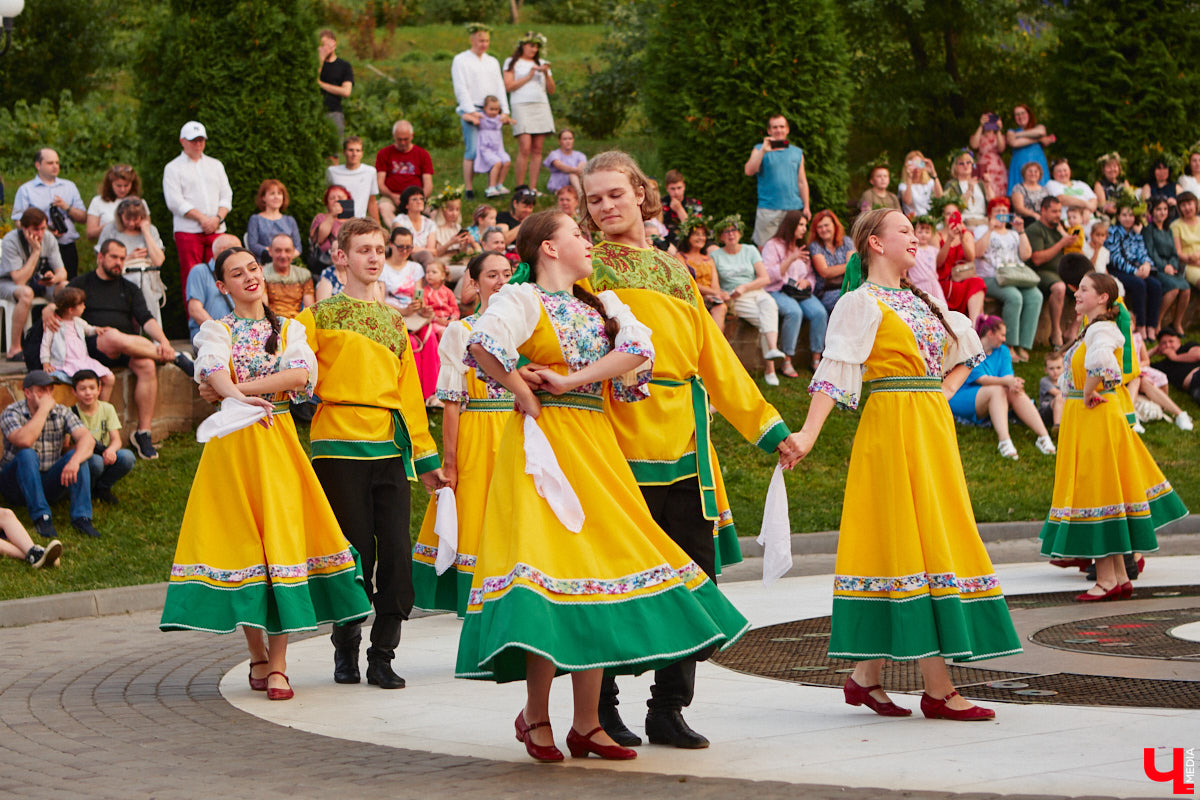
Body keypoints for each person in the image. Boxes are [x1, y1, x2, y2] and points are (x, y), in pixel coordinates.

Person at [455, 209, 750, 762]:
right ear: (548, 248)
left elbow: (640, 352)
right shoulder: (522, 300)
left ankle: (587, 722)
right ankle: (537, 715)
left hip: (597, 443)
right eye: (578, 235)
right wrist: (524, 394)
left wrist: (571, 379)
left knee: (599, 571)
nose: (588, 242)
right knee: (551, 569)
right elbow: (482, 345)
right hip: (545, 446)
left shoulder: (602, 305)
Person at [581, 152, 797, 748]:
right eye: (594, 198)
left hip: (683, 441)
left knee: (695, 578)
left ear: (642, 193)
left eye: (615, 194)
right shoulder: (584, 266)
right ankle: (599, 707)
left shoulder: (677, 271)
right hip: (610, 439)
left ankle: (669, 706)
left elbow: (715, 361)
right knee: (613, 579)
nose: (605, 206)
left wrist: (770, 429)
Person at [793, 208, 1021, 722]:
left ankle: (865, 676)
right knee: (910, 539)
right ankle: (937, 689)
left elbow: (968, 351)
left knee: (923, 534)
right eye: (903, 230)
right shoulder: (859, 302)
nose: (915, 237)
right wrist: (807, 434)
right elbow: (837, 370)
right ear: (874, 243)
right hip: (892, 427)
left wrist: (941, 392)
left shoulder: (924, 301)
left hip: (929, 426)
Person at [164, 246, 373, 702]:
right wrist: (231, 393)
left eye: (252, 269)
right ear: (222, 286)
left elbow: (298, 376)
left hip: (276, 443)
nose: (249, 277)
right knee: (243, 548)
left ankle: (277, 665)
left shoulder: (291, 327)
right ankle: (257, 653)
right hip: (232, 450)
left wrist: (235, 393)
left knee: (282, 545)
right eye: (236, 274)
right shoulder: (215, 329)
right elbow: (212, 366)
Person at [293, 217, 446, 690]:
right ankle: (346, 646)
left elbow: (410, 397)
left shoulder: (395, 322)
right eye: (363, 249)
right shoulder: (315, 317)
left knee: (397, 553)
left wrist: (426, 460)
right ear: (340, 257)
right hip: (337, 444)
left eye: (380, 248)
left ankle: (383, 653)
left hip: (388, 444)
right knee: (354, 551)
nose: (375, 256)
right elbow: (291, 370)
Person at [1039, 272, 1188, 600]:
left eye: (1085, 289)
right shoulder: (1091, 329)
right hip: (1089, 417)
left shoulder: (1103, 329)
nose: (1077, 294)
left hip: (1094, 416)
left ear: (1103, 297)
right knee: (1101, 492)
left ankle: (1107, 579)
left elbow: (1106, 368)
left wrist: (1089, 392)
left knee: (1098, 493)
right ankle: (1118, 576)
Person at [412, 251, 512, 616]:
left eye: (506, 274)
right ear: (473, 282)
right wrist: (450, 462)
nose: (501, 281)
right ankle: (475, 593)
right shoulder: (462, 330)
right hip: (479, 431)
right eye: (491, 275)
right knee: (477, 510)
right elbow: (452, 402)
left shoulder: (528, 328)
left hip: (518, 426)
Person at [42, 239, 192, 460]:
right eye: (114, 257)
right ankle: (176, 358)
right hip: (93, 348)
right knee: (111, 335)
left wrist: (165, 342)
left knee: (147, 365)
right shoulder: (82, 283)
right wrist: (48, 310)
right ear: (100, 257)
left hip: (127, 347)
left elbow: (146, 319)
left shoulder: (129, 288)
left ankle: (143, 433)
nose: (119, 262)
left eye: (122, 258)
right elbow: (59, 302)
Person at [0, 370, 98, 540]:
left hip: (48, 479)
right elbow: (24, 440)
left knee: (78, 455)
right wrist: (43, 410)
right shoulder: (11, 412)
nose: (47, 395)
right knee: (27, 454)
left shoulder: (62, 411)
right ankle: (42, 517)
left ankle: (82, 518)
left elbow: (87, 439)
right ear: (28, 393)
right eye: (41, 390)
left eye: (49, 390)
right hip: (15, 484)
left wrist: (74, 461)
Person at [948, 315, 1056, 459]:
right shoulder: (972, 349)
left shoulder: (1003, 351)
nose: (1004, 339)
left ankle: (1043, 437)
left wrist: (1013, 383)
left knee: (1012, 390)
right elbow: (982, 379)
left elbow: (1008, 377)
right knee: (998, 390)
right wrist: (1008, 382)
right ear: (990, 333)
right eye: (1002, 335)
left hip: (991, 393)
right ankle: (1004, 441)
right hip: (962, 396)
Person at [710, 216, 788, 384]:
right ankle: (770, 368)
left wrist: (745, 287)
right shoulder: (715, 256)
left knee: (769, 304)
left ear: (740, 233)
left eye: (734, 230)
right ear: (720, 236)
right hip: (736, 298)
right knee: (766, 322)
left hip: (754, 291)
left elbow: (765, 278)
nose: (731, 234)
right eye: (726, 231)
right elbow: (715, 283)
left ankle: (773, 349)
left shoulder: (750, 250)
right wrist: (725, 293)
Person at [163, 121, 233, 292]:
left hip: (216, 229)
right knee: (191, 275)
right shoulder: (173, 168)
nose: (198, 144)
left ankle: (222, 316)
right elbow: (174, 201)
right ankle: (195, 318)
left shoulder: (215, 165)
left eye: (201, 140)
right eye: (193, 140)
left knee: (222, 272)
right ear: (182, 141)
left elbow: (226, 195)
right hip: (188, 230)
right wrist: (202, 219)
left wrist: (216, 219)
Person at [974, 197, 1040, 362]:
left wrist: (1021, 231)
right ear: (990, 214)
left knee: (1035, 296)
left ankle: (1024, 345)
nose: (1002, 214)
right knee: (1014, 296)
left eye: (1004, 211)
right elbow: (977, 252)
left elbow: (1026, 255)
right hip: (990, 276)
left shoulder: (1013, 233)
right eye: (998, 211)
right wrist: (990, 229)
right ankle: (1009, 344)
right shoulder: (982, 229)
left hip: (1014, 275)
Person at [762, 210, 827, 371]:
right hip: (778, 290)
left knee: (820, 313)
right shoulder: (773, 245)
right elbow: (768, 274)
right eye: (801, 225)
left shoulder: (801, 246)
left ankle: (816, 359)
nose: (804, 229)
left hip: (800, 292)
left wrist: (807, 282)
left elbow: (811, 275)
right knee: (794, 312)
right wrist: (792, 257)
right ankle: (787, 359)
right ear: (791, 225)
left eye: (805, 225)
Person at [0, 208, 69, 360]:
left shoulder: (49, 238)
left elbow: (62, 272)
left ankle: (64, 343)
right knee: (26, 293)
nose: (40, 234)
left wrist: (53, 278)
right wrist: (36, 252)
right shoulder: (11, 240)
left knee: (65, 288)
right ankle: (14, 348)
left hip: (35, 280)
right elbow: (19, 280)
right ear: (24, 228)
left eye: (43, 228)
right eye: (35, 229)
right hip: (7, 282)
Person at [10, 148, 86, 279]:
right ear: (38, 165)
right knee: (43, 286)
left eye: (57, 162)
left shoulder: (69, 187)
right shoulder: (26, 190)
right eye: (50, 163)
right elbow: (18, 222)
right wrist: (44, 231)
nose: (55, 166)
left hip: (66, 246)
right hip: (40, 248)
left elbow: (83, 218)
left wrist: (66, 207)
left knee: (68, 288)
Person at [452, 23, 508, 198]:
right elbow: (460, 87)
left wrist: (503, 110)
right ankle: (469, 187)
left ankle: (493, 186)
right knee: (473, 150)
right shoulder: (461, 59)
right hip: (473, 110)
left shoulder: (492, 61)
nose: (484, 44)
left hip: (491, 110)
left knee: (493, 149)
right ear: (472, 39)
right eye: (480, 40)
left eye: (487, 41)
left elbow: (499, 86)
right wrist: (470, 111)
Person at [98, 197, 167, 326]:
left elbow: (158, 261)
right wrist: (127, 258)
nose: (131, 223)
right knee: (135, 279)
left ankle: (153, 329)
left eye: (135, 219)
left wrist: (145, 231)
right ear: (120, 216)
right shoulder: (110, 230)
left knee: (142, 278)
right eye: (127, 219)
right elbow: (101, 261)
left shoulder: (151, 230)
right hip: (120, 276)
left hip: (146, 277)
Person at [70, 369, 135, 505]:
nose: (88, 393)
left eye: (92, 388)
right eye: (82, 389)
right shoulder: (71, 413)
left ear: (99, 389)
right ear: (74, 392)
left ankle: (103, 487)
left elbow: (116, 439)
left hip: (104, 453)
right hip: (86, 458)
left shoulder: (107, 408)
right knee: (96, 462)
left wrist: (111, 450)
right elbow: (65, 446)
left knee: (127, 457)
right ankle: (88, 489)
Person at [744, 114, 810, 246]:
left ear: (787, 129)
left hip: (793, 209)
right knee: (765, 247)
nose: (778, 130)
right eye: (775, 127)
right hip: (768, 209)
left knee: (793, 246)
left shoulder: (796, 152)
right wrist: (763, 151)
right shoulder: (759, 149)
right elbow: (749, 171)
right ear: (769, 131)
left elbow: (802, 182)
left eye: (781, 126)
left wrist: (806, 206)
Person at [503, 31, 555, 191]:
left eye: (536, 47)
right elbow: (508, 86)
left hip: (540, 105)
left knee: (537, 149)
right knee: (525, 147)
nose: (534, 49)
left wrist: (546, 73)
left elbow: (551, 90)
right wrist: (529, 75)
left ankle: (533, 188)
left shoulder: (542, 62)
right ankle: (520, 187)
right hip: (521, 105)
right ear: (523, 45)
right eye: (531, 46)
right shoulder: (512, 62)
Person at [40, 287, 115, 395]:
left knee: (109, 378)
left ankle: (101, 408)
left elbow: (88, 329)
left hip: (83, 360)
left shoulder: (78, 322)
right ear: (71, 309)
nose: (84, 307)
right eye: (81, 304)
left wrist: (97, 329)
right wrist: (45, 363)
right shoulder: (55, 324)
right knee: (83, 383)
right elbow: (45, 344)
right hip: (66, 363)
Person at [1105, 202, 1162, 341]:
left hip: (1136, 269)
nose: (1128, 218)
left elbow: (1142, 253)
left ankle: (1151, 327)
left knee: (1155, 285)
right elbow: (1115, 257)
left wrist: (1147, 264)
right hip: (1118, 270)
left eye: (1131, 215)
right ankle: (1140, 326)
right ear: (1118, 216)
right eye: (1124, 215)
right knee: (1139, 285)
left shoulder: (1136, 234)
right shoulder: (1113, 232)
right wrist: (1135, 271)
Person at [1025, 196, 1075, 348]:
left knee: (1087, 284)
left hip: (1061, 272)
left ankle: (1072, 332)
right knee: (1059, 287)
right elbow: (1037, 259)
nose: (1058, 215)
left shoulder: (1060, 228)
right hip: (1040, 272)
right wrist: (1062, 243)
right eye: (1054, 211)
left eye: (1059, 211)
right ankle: (1056, 332)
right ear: (1043, 211)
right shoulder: (1035, 229)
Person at [1143, 197, 1189, 334]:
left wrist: (1173, 266)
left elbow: (1174, 253)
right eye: (1158, 209)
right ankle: (1158, 321)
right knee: (1173, 289)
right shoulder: (1148, 230)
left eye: (1165, 209)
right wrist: (1164, 267)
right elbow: (1151, 252)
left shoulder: (1168, 230)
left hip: (1171, 268)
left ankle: (1177, 322)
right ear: (1152, 212)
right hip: (1157, 268)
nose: (1162, 212)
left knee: (1186, 289)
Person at [375, 120, 434, 227]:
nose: (402, 143)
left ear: (412, 136)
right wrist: (392, 196)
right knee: (384, 208)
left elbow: (428, 184)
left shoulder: (422, 154)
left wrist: (419, 199)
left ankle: (432, 233)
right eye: (399, 139)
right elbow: (380, 183)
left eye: (406, 139)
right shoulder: (384, 153)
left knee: (436, 211)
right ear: (394, 136)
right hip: (392, 195)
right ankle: (400, 231)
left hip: (417, 195)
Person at [186, 233, 240, 344]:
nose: (240, 255)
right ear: (224, 251)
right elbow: (195, 310)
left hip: (237, 334)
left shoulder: (239, 274)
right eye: (237, 250)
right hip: (209, 335)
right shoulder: (200, 271)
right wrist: (220, 333)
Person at [934, 202, 985, 321]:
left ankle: (974, 326)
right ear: (943, 216)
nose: (951, 217)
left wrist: (962, 238)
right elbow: (938, 263)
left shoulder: (966, 234)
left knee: (977, 283)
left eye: (954, 214)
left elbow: (971, 257)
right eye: (948, 214)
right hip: (946, 281)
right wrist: (949, 240)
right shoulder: (937, 235)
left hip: (963, 277)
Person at [675, 216, 725, 328]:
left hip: (710, 298)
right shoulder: (680, 257)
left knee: (721, 307)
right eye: (696, 234)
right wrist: (714, 293)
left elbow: (715, 284)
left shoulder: (709, 259)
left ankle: (716, 343)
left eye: (703, 235)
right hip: (692, 297)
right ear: (687, 237)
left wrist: (715, 294)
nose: (701, 237)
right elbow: (689, 282)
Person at [85, 164, 146, 249]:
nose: (122, 189)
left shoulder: (140, 203)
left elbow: (147, 227)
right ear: (110, 184)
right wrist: (108, 227)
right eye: (118, 186)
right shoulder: (97, 201)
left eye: (126, 185)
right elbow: (90, 234)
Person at [807, 209, 855, 314]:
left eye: (826, 225)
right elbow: (824, 272)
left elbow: (853, 267)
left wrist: (838, 269)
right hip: (827, 291)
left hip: (849, 288)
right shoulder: (815, 246)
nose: (823, 229)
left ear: (834, 225)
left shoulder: (846, 241)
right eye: (819, 227)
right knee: (847, 302)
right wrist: (847, 266)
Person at [245, 180, 302, 264]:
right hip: (264, 264)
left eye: (279, 193)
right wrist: (272, 253)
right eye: (272, 194)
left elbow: (298, 247)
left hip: (289, 265)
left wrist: (286, 256)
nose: (276, 197)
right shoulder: (256, 219)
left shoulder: (290, 220)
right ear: (263, 197)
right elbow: (253, 245)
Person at [325, 136, 378, 222]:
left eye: (358, 150)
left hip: (359, 221)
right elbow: (327, 199)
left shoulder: (370, 172)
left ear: (362, 153)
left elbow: (372, 202)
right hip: (337, 221)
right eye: (351, 150)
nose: (354, 154)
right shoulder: (332, 171)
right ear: (344, 152)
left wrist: (378, 226)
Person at [262, 234, 314, 319]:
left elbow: (309, 308)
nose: (283, 255)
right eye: (278, 251)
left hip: (297, 322)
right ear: (270, 252)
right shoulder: (263, 274)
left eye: (287, 251)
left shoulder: (304, 274)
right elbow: (263, 308)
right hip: (272, 322)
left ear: (293, 252)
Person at [317, 29, 354, 146]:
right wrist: (320, 60)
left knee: (333, 150)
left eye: (326, 45)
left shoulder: (344, 66)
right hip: (316, 111)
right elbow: (311, 79)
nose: (324, 49)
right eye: (321, 46)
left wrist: (322, 85)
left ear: (333, 44)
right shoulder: (316, 63)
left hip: (334, 112)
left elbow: (346, 91)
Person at [1005, 103, 1053, 191]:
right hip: (1019, 166)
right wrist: (1038, 140)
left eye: (1023, 113)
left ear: (1029, 114)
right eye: (1017, 114)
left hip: (1038, 164)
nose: (1020, 116)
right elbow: (1014, 143)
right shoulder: (1010, 131)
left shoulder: (1039, 127)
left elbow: (1041, 132)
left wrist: (1017, 134)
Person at [309, 184, 353, 279]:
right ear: (327, 203)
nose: (336, 200)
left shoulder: (354, 221)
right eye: (332, 198)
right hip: (326, 263)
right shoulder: (321, 218)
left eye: (340, 197)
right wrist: (332, 215)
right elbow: (320, 238)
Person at [474, 96, 512, 198]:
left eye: (496, 109)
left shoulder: (499, 118)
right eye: (491, 109)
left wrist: (508, 120)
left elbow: (511, 121)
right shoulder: (481, 116)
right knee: (497, 162)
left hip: (498, 149)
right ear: (485, 108)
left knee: (507, 161)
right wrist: (474, 118)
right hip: (486, 149)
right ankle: (491, 187)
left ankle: (499, 184)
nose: (494, 112)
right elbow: (464, 115)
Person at [1152, 327, 1200, 406]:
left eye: (1171, 341)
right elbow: (1139, 365)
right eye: (1163, 343)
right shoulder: (1162, 365)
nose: (1168, 345)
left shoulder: (1188, 347)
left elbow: (1198, 355)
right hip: (1193, 387)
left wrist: (1175, 357)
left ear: (1178, 341)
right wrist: (1153, 351)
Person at [944, 149, 990, 228]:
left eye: (968, 162)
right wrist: (969, 190)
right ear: (955, 167)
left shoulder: (980, 183)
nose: (966, 165)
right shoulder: (952, 185)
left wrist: (987, 185)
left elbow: (992, 202)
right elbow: (954, 208)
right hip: (964, 222)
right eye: (961, 163)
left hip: (983, 221)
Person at [1046, 159, 1097, 224]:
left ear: (1070, 171)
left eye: (1065, 170)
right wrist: (1086, 204)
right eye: (1059, 171)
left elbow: (1093, 201)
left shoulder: (1081, 184)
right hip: (1069, 222)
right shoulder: (1052, 184)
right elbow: (1062, 199)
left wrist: (1087, 210)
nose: (1063, 173)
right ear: (1053, 174)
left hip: (1090, 221)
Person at [909, 215, 946, 303]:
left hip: (934, 285)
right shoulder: (912, 249)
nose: (923, 235)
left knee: (940, 308)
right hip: (919, 286)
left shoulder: (934, 250)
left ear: (931, 234)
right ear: (914, 233)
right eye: (920, 232)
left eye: (927, 232)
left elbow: (940, 261)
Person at [970, 111, 1008, 199]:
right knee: (981, 190)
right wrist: (981, 126)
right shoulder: (978, 135)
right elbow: (974, 145)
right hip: (981, 166)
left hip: (997, 167)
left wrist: (998, 130)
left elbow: (1001, 148)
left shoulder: (1000, 136)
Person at [661, 169, 703, 246]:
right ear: (667, 188)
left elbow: (694, 230)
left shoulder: (694, 204)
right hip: (668, 242)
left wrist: (679, 209)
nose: (676, 192)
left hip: (690, 241)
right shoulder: (660, 204)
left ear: (684, 186)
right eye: (672, 189)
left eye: (679, 188)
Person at [395, 187, 436, 262]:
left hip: (425, 258)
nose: (419, 201)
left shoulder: (430, 223)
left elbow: (432, 251)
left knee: (426, 255)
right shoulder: (400, 220)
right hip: (405, 257)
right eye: (414, 199)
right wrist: (424, 250)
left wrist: (415, 249)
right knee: (426, 254)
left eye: (421, 199)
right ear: (406, 205)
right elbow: (403, 246)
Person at [898, 151, 942, 217]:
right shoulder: (903, 185)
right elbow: (907, 201)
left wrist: (933, 174)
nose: (917, 168)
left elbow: (939, 196)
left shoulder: (929, 182)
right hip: (912, 219)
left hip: (928, 218)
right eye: (914, 164)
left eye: (920, 164)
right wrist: (909, 177)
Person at [420, 261, 459, 336]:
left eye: (434, 272)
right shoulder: (425, 292)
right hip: (434, 321)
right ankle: (442, 348)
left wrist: (453, 319)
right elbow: (425, 311)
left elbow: (455, 308)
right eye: (427, 272)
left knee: (459, 330)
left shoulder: (448, 292)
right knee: (443, 332)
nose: (429, 274)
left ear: (443, 276)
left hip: (450, 320)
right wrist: (437, 319)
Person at [543, 129, 586, 197]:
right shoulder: (554, 154)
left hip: (576, 180)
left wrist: (578, 170)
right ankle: (580, 194)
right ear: (559, 141)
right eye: (565, 139)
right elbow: (560, 166)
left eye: (570, 138)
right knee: (572, 175)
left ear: (573, 140)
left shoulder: (580, 155)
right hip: (559, 181)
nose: (568, 141)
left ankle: (579, 192)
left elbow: (582, 166)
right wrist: (576, 170)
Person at [1171, 191, 1200, 286]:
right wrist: (1192, 260)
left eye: (1189, 204)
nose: (1187, 208)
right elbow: (1178, 252)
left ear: (1195, 205)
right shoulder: (1176, 225)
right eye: (1183, 205)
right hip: (1189, 264)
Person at [1010, 161, 1049, 227]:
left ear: (1040, 174)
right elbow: (1019, 208)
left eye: (1036, 171)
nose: (1033, 173)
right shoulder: (1018, 188)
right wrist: (1034, 215)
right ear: (1024, 173)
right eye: (1030, 171)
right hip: (1026, 221)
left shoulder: (1045, 190)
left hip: (1043, 220)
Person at [1094, 152, 1132, 218]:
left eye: (1115, 166)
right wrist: (1119, 214)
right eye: (1109, 167)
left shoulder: (1124, 182)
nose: (1112, 169)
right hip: (1108, 217)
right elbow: (1103, 206)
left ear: (1119, 168)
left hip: (1125, 216)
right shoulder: (1099, 184)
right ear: (1103, 170)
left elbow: (1130, 200)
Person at [1039, 352, 1067, 432]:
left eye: (1058, 368)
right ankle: (1057, 427)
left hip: (1063, 409)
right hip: (1046, 412)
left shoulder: (1065, 381)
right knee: (1060, 397)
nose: (1055, 371)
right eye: (1051, 368)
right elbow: (1058, 394)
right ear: (1046, 370)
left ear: (1064, 368)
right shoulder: (1045, 381)